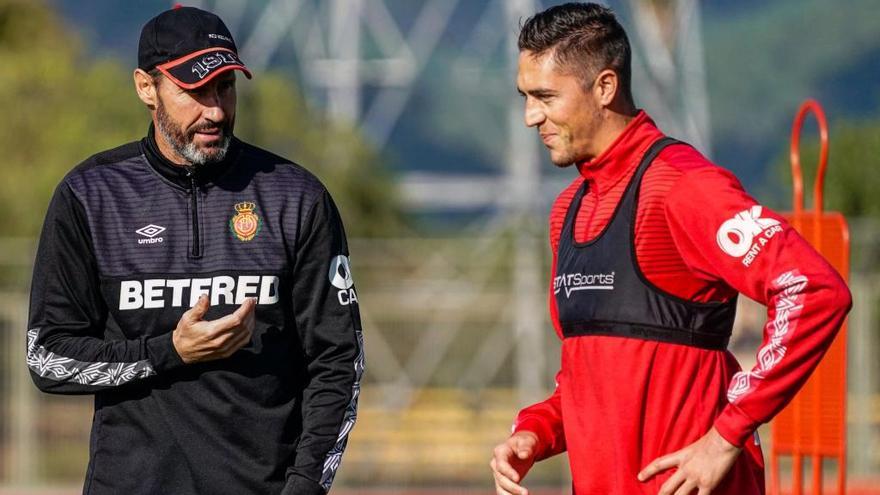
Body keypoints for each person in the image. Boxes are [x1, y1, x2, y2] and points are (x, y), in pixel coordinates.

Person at [490, 3, 851, 495]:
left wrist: (726, 436)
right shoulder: (567, 211)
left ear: (605, 87)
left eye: (545, 97)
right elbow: (589, 375)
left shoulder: (682, 187)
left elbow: (813, 289)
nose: (531, 117)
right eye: (525, 97)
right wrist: (537, 430)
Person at [26, 6, 363, 495]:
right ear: (147, 87)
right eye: (195, 91)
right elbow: (47, 357)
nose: (216, 110)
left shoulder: (295, 197)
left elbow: (338, 362)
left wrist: (306, 486)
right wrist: (170, 352)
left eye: (225, 87)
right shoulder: (91, 196)